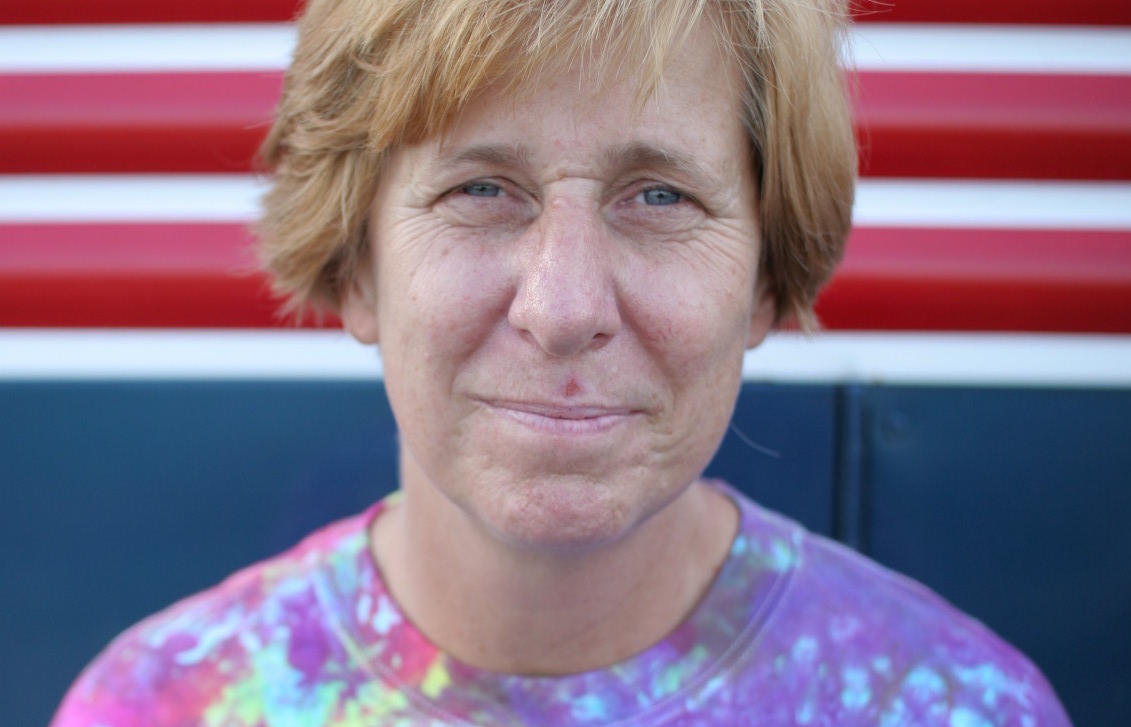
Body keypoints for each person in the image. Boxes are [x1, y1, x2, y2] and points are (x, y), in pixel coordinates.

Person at [53, 0, 1071, 724]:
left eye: (660, 196)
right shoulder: (159, 706)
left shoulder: (955, 707)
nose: (564, 307)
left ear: (766, 276)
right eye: (482, 190)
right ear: (358, 266)